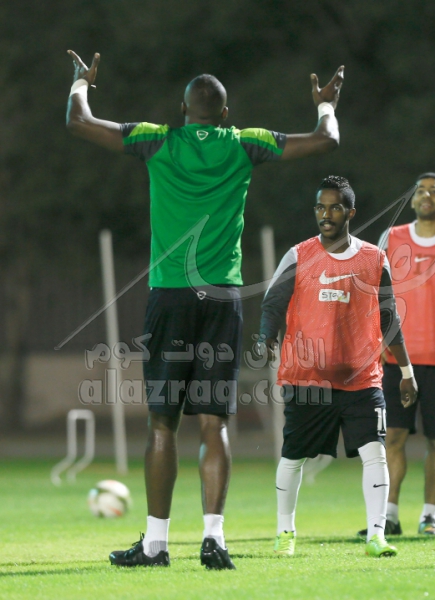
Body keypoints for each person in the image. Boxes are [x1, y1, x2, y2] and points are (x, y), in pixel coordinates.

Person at [66, 50, 345, 570]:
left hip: (169, 296)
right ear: (224, 113)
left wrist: (81, 83)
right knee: (214, 424)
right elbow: (326, 139)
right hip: (222, 298)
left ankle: (155, 544)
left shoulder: (157, 139)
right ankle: (214, 539)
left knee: (162, 424)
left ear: (183, 109)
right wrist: (325, 104)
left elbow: (78, 122)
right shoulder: (244, 143)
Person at [260, 175, 418, 558]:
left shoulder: (374, 259)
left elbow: (389, 317)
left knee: (375, 453)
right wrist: (265, 338)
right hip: (307, 379)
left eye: (334, 207)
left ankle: (376, 536)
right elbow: (272, 303)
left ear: (350, 212)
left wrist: (407, 371)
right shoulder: (299, 255)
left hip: (362, 380)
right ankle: (285, 533)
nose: (326, 215)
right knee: (294, 456)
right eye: (320, 207)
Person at [358, 172, 435, 537]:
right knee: (392, 437)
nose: (425, 195)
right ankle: (389, 516)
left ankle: (430, 517)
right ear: (412, 200)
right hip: (397, 360)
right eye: (419, 191)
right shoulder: (391, 238)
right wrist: (374, 346)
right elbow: (374, 296)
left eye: (434, 191)